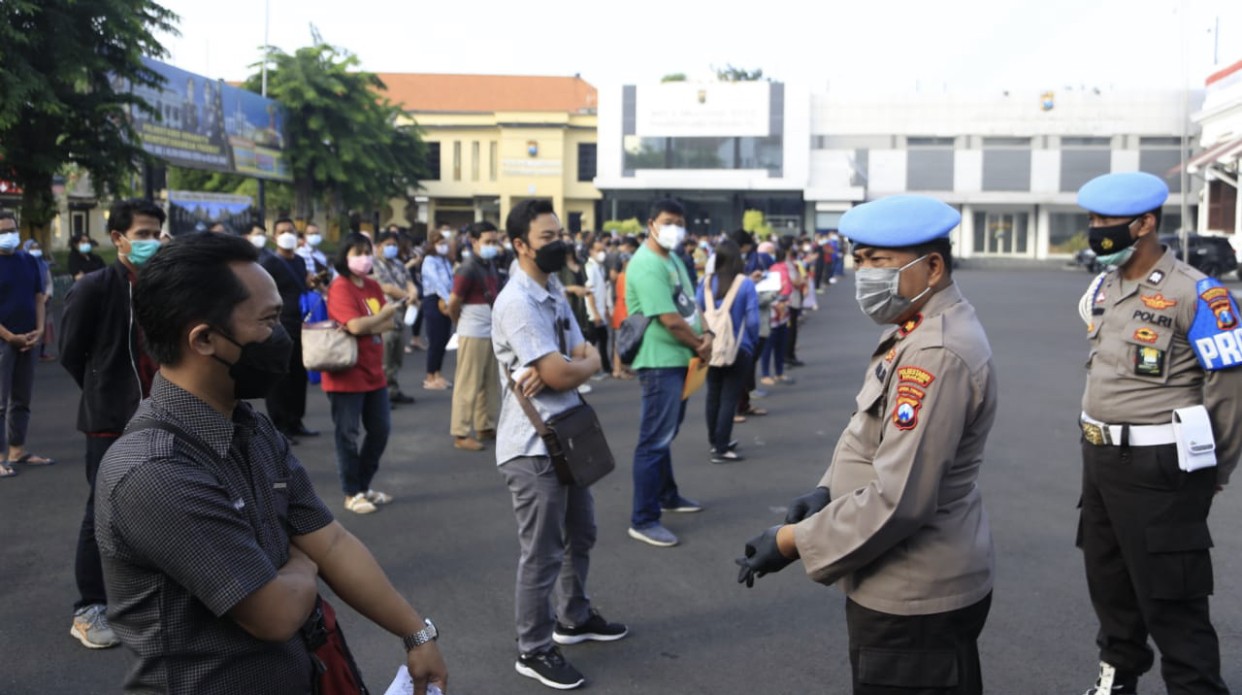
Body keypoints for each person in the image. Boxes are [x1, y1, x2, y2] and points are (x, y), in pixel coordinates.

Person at [94, 232, 448, 695]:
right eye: (268, 321)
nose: (282, 335)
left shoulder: (252, 428)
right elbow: (274, 614)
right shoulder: (156, 472)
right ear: (203, 339)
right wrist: (302, 561)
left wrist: (416, 633)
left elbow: (333, 544)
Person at [736, 195, 996, 695]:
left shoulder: (937, 352)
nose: (865, 274)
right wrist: (826, 490)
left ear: (933, 266)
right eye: (860, 260)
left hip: (914, 592)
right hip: (899, 577)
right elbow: (870, 429)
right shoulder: (916, 328)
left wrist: (791, 542)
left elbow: (899, 499)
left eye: (879, 261)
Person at [1071, 172, 1240, 695]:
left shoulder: (1200, 295)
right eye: (1092, 221)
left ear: (1143, 224)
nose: (1095, 231)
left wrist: (1213, 468)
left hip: (1161, 467)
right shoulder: (1105, 286)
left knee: (1172, 599)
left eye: (1105, 222)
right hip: (1100, 460)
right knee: (1111, 584)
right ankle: (1116, 679)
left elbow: (1230, 393)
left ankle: (1195, 687)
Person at [492, 199, 627, 690]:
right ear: (520, 245)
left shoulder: (550, 291)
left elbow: (579, 353)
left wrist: (578, 364)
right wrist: (583, 365)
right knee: (543, 551)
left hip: (565, 435)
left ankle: (572, 617)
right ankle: (533, 647)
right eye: (547, 238)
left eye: (559, 234)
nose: (559, 243)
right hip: (532, 446)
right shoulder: (518, 302)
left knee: (582, 533)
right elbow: (561, 368)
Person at [59, 198, 165, 649]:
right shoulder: (96, 287)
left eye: (156, 234)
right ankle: (89, 608)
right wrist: (105, 389)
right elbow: (70, 352)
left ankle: (144, 597)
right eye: (142, 234)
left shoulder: (163, 286)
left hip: (161, 414)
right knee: (100, 512)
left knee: (160, 505)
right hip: (109, 419)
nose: (151, 242)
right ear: (118, 238)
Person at [625, 199, 713, 548]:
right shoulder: (646, 265)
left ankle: (667, 495)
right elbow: (669, 319)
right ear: (652, 224)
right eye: (668, 221)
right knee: (654, 440)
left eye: (679, 222)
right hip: (660, 361)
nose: (675, 228)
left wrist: (706, 335)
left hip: (681, 358)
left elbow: (689, 305)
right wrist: (699, 342)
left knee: (665, 433)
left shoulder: (672, 258)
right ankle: (643, 519)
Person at [323, 233, 404, 514]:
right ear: (344, 257)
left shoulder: (371, 285)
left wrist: (374, 321)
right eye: (358, 252)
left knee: (380, 430)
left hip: (373, 370)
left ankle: (363, 485)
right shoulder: (340, 287)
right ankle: (352, 492)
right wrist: (379, 317)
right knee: (347, 434)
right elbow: (355, 327)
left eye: (367, 252)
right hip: (346, 372)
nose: (365, 258)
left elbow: (385, 325)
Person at [696, 239, 759, 463]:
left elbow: (697, 313)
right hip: (738, 347)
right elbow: (752, 319)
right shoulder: (745, 284)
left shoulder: (705, 282)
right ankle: (722, 447)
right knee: (729, 398)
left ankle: (715, 441)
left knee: (713, 394)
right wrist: (751, 343)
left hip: (710, 347)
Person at [446, 221, 503, 451]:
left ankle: (485, 425)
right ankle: (461, 432)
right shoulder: (467, 268)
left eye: (494, 241)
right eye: (487, 241)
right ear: (474, 241)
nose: (492, 246)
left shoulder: (488, 264)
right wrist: (459, 323)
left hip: (489, 329)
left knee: (489, 382)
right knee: (468, 383)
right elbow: (453, 302)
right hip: (473, 330)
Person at [0, 210, 48, 479]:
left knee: (22, 398)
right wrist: (8, 336)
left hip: (28, 338)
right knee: (0, 401)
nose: (8, 235)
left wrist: (39, 329)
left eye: (11, 229)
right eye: (2, 231)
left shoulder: (28, 260)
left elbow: (38, 296)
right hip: (4, 340)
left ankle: (17, 450)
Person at [260, 218, 317, 442]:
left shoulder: (300, 262)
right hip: (279, 326)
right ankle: (279, 426)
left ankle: (296, 420)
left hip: (301, 324)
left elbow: (302, 286)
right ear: (274, 237)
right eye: (282, 231)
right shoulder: (269, 263)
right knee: (280, 378)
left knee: (299, 376)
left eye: (291, 231)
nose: (287, 235)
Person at [373, 231, 419, 406]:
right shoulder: (374, 264)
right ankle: (382, 395)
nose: (392, 248)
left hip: (401, 312)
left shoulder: (399, 263)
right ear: (378, 246)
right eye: (388, 244)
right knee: (385, 354)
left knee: (397, 354)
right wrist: (408, 297)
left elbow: (409, 281)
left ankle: (393, 389)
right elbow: (387, 288)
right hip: (385, 312)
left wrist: (413, 293)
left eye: (394, 245)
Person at [420, 229, 455, 390]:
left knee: (443, 339)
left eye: (445, 243)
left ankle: (438, 374)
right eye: (440, 244)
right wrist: (448, 300)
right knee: (435, 340)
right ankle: (429, 376)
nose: (444, 246)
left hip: (446, 298)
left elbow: (450, 280)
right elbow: (436, 282)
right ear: (433, 245)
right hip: (434, 299)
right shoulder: (429, 261)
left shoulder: (445, 260)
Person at [22, 239, 56, 361]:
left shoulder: (44, 265)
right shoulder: (23, 265)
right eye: (33, 248)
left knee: (45, 327)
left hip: (44, 301)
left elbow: (48, 283)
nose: (36, 250)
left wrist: (46, 295)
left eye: (37, 247)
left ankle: (42, 352)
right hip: (29, 302)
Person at [583, 236, 611, 379]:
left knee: (603, 339)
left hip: (600, 310)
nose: (602, 252)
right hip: (592, 312)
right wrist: (595, 313)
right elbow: (589, 293)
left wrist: (604, 309)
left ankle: (606, 367)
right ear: (591, 251)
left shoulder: (599, 267)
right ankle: (591, 370)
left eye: (603, 249)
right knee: (592, 342)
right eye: (598, 250)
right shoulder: (590, 268)